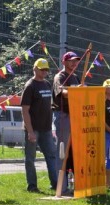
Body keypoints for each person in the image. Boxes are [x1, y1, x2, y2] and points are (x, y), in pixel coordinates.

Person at [21, 58, 58, 193]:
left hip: (46, 129)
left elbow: (50, 104)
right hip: (33, 129)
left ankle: (55, 183)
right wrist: (30, 131)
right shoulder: (30, 86)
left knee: (51, 156)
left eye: (46, 70)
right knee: (30, 158)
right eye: (42, 69)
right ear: (35, 69)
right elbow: (25, 110)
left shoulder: (47, 84)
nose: (44, 72)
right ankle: (32, 186)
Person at [52, 51, 80, 194]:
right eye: (71, 60)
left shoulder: (76, 77)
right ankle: (61, 188)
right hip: (63, 116)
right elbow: (63, 92)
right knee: (62, 152)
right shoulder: (60, 76)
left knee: (74, 153)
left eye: (76, 61)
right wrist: (77, 90)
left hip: (76, 116)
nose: (74, 63)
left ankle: (74, 185)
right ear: (64, 62)